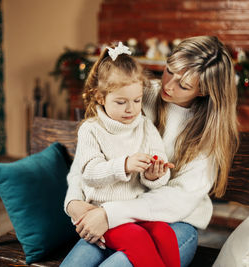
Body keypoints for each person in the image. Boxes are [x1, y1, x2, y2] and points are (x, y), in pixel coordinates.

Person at [62, 36, 239, 267]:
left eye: (183, 85)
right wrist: (73, 202)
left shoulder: (208, 136)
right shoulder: (137, 93)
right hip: (114, 213)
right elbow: (90, 155)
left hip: (173, 222)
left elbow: (176, 199)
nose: (168, 85)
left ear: (204, 90)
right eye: (169, 71)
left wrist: (109, 214)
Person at [61, 42, 180, 267]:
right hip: (101, 213)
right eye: (121, 102)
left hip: (135, 211)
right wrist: (124, 165)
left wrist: (155, 175)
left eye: (136, 101)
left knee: (165, 233)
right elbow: (89, 173)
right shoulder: (91, 129)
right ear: (99, 97)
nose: (131, 109)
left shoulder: (145, 126)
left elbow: (159, 174)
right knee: (137, 239)